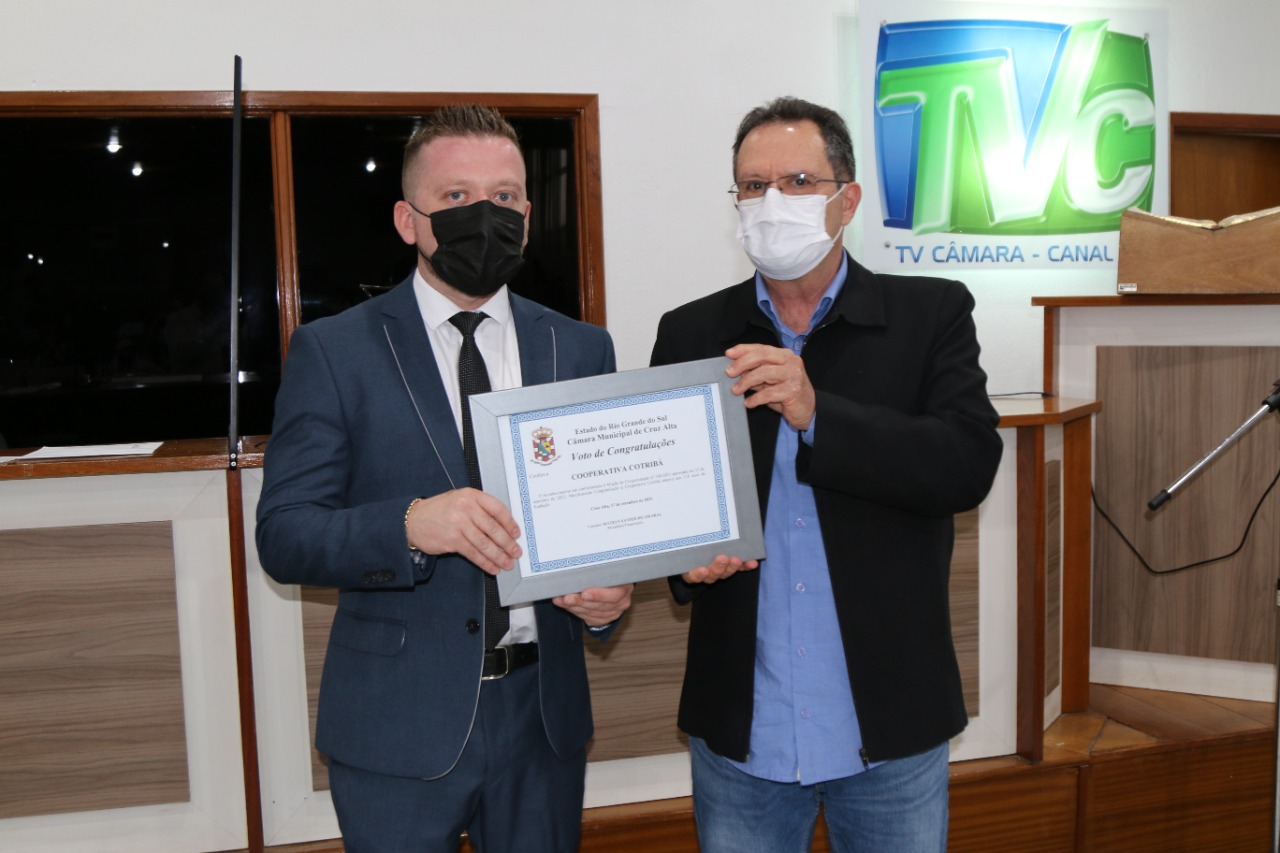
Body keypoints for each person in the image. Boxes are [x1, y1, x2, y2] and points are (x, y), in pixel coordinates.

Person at [256, 104, 633, 853]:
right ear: (409, 220)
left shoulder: (581, 347)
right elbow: (286, 534)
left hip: (543, 716)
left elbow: (602, 518)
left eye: (504, 196)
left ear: (527, 215)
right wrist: (408, 525)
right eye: (456, 197)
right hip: (397, 720)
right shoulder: (333, 351)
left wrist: (606, 598)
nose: (483, 215)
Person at [650, 96, 1003, 852]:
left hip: (889, 726)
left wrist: (819, 413)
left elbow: (967, 463)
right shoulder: (691, 332)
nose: (772, 202)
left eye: (799, 181)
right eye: (754, 185)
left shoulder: (929, 314)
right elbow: (669, 505)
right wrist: (686, 561)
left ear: (848, 199)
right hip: (743, 729)